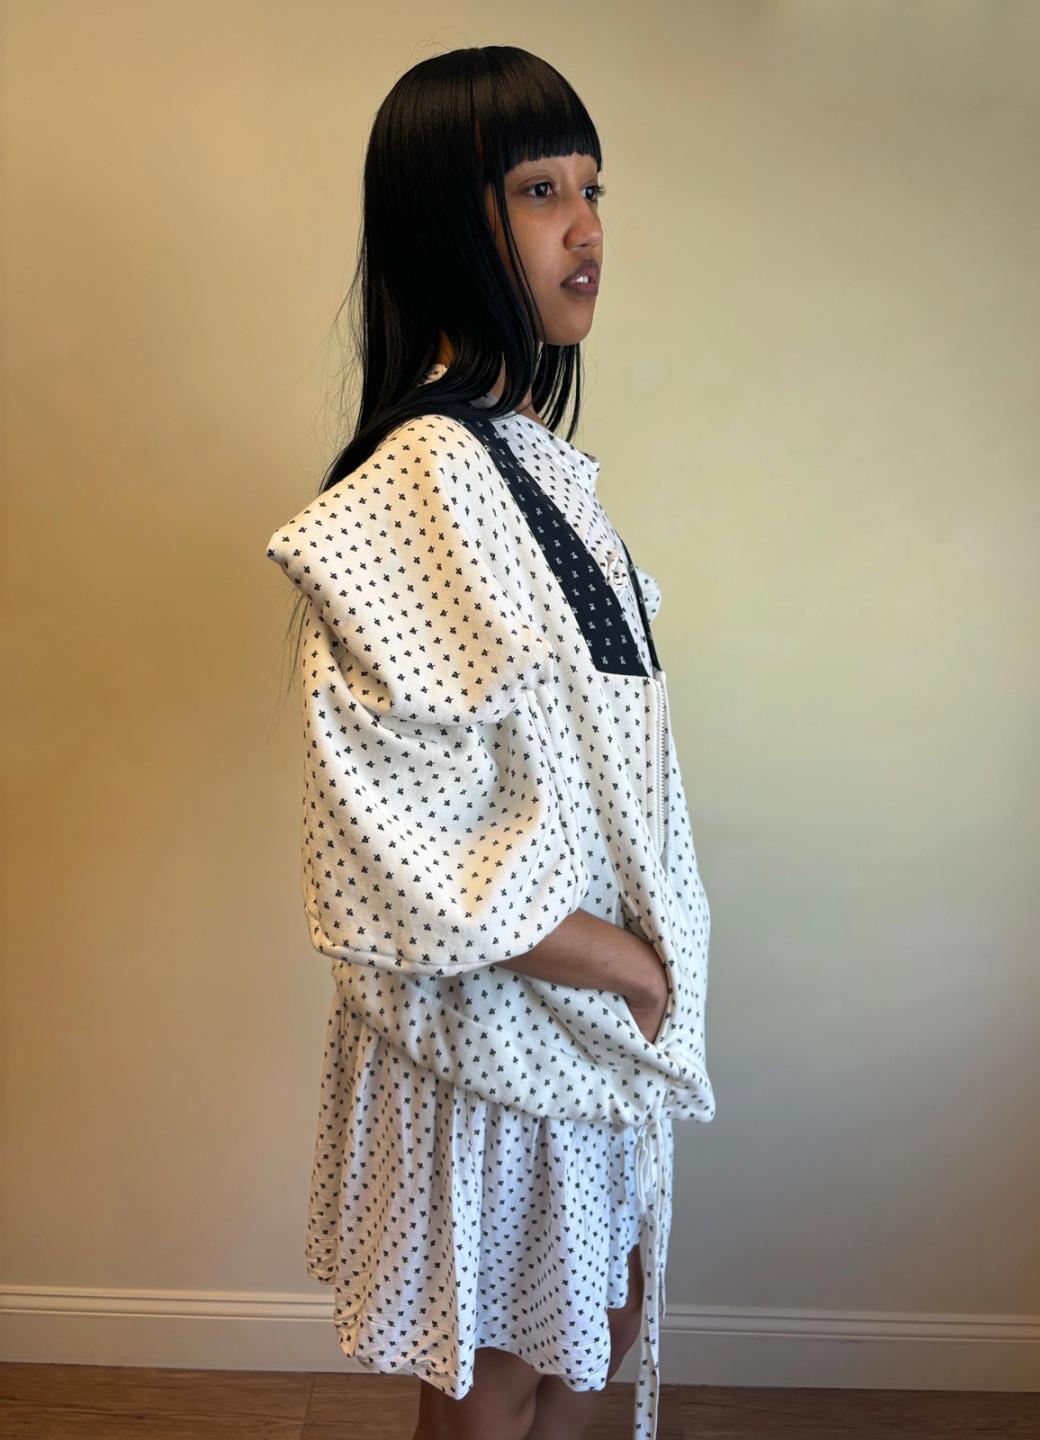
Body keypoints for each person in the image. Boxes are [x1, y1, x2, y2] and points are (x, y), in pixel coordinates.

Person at [265, 45, 715, 1440]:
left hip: (582, 1034)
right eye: (539, 190)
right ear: (447, 222)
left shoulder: (529, 465)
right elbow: (392, 832)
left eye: (592, 188)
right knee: (501, 1372)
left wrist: (642, 975)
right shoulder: (426, 476)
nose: (586, 227)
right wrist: (623, 964)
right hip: (503, 1034)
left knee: (592, 1328)